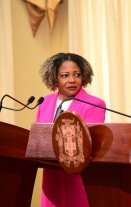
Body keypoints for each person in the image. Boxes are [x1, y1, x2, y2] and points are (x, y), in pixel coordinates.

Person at [36, 53, 106, 207]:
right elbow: (38, 140)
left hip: (79, 180)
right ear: (54, 78)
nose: (72, 80)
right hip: (51, 181)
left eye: (77, 74)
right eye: (65, 75)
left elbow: (88, 143)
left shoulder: (94, 104)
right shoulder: (44, 103)